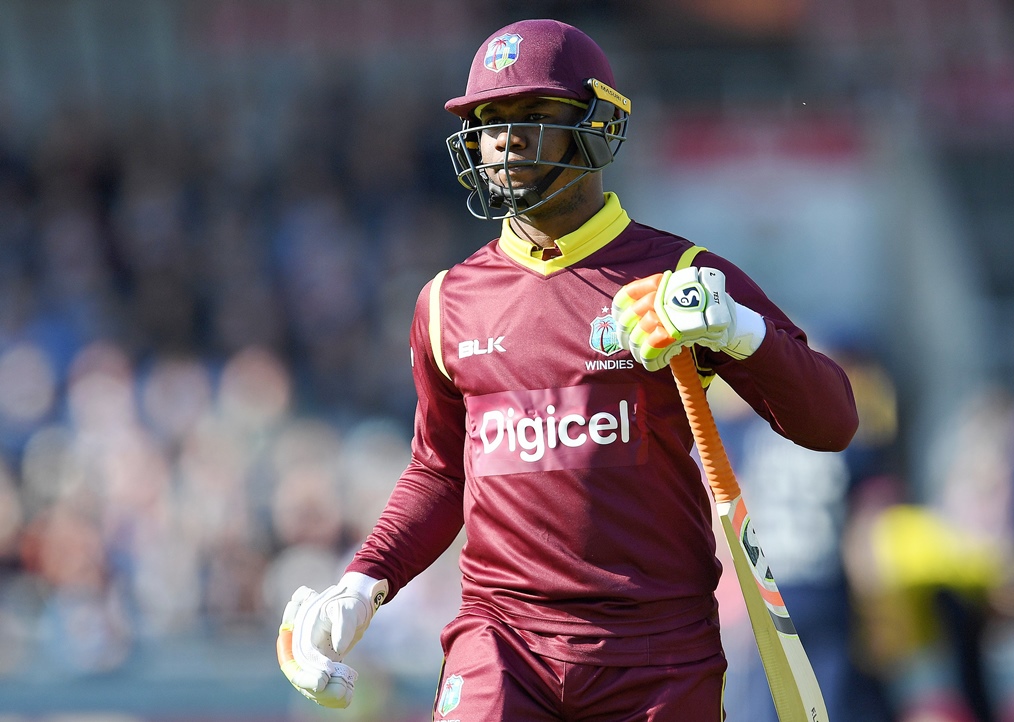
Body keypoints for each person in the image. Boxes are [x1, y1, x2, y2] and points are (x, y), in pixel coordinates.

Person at [276, 18, 859, 721]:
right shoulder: (445, 303)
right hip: (502, 644)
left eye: (532, 115)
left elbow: (832, 421)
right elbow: (439, 471)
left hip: (657, 654)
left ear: (597, 124)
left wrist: (738, 331)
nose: (504, 138)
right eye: (489, 120)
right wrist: (363, 581)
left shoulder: (681, 276)